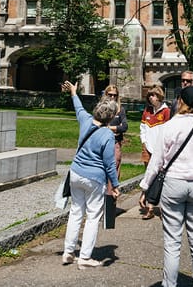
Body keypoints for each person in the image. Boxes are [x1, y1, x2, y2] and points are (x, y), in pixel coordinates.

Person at [138, 85, 193, 287]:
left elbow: (157, 162)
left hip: (174, 182)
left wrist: (146, 187)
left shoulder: (169, 126)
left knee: (172, 240)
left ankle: (169, 284)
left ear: (181, 102)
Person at [60, 80, 121, 267]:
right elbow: (109, 164)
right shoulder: (107, 135)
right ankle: (85, 257)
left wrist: (73, 92)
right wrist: (115, 185)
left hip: (76, 173)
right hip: (94, 177)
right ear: (110, 118)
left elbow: (78, 107)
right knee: (93, 216)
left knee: (76, 212)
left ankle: (68, 251)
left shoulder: (85, 121)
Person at [140, 84, 170, 219]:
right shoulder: (147, 110)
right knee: (149, 176)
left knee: (161, 178)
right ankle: (150, 207)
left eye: (154, 95)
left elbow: (167, 132)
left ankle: (163, 207)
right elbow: (143, 128)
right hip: (148, 148)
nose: (152, 98)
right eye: (150, 96)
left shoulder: (166, 112)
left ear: (159, 96)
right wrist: (144, 142)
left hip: (161, 149)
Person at [103, 85, 127, 178]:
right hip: (103, 141)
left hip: (116, 141)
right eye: (110, 95)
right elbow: (98, 126)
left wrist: (109, 128)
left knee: (115, 164)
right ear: (106, 94)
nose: (112, 97)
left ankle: (113, 190)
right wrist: (117, 128)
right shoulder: (101, 108)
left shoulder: (120, 109)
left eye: (115, 95)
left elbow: (124, 127)